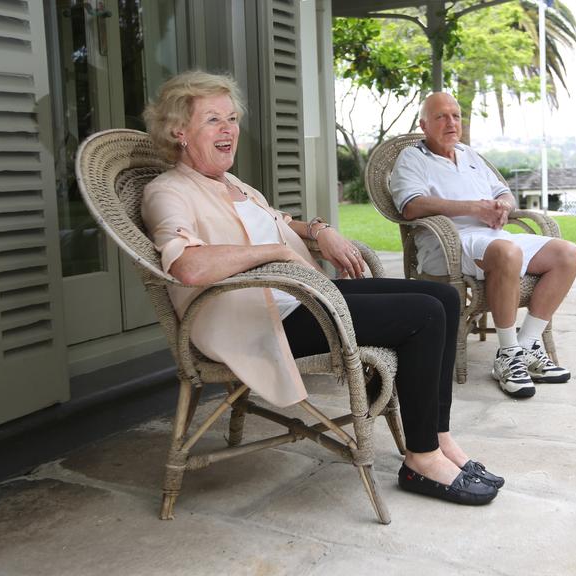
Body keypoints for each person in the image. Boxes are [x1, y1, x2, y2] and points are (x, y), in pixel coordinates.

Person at [141, 71, 501, 505]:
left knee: (441, 298)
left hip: (300, 296)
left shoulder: (232, 184)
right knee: (423, 317)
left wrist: (319, 230)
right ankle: (421, 459)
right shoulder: (169, 191)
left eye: (232, 119)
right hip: (261, 320)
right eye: (213, 120)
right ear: (179, 130)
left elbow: (278, 220)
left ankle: (439, 437)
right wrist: (272, 252)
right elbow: (186, 264)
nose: (229, 130)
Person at [390, 92, 576, 400]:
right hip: (450, 242)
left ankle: (528, 344)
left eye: (455, 116)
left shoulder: (469, 155)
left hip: (492, 236)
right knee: (508, 253)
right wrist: (473, 208)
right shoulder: (413, 158)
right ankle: (507, 356)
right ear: (424, 125)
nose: (451, 122)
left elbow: (504, 192)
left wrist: (502, 207)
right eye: (441, 117)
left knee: (568, 254)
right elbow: (411, 207)